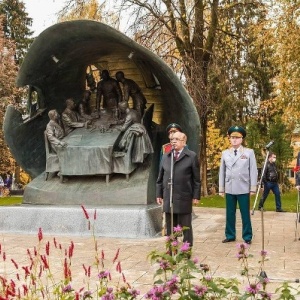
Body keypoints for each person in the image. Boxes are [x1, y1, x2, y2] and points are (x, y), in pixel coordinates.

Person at [156, 131, 200, 246]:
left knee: (186, 227)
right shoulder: (166, 156)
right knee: (170, 227)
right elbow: (160, 177)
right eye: (172, 139)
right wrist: (159, 194)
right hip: (168, 196)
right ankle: (172, 250)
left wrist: (196, 196)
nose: (173, 141)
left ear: (184, 142)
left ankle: (186, 251)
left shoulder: (191, 156)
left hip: (184, 196)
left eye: (176, 139)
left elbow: (196, 179)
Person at [219, 125, 258, 244]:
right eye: (232, 137)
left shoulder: (249, 152)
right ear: (229, 139)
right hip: (230, 187)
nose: (234, 140)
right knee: (230, 213)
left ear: (242, 139)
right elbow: (222, 171)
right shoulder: (225, 153)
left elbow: (253, 170)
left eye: (237, 137)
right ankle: (230, 235)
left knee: (245, 213)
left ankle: (247, 236)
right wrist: (221, 188)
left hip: (243, 187)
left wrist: (252, 188)